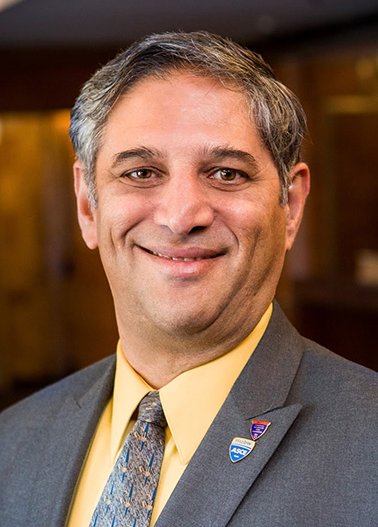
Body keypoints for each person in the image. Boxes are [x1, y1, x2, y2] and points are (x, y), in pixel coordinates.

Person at [0, 31, 377, 527]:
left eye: (226, 173)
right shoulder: (13, 441)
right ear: (88, 206)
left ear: (291, 207)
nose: (181, 216)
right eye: (140, 173)